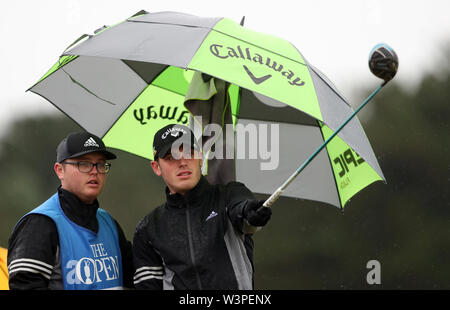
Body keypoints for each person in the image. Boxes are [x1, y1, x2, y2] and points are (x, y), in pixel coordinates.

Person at [132, 124, 272, 290]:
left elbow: (243, 210)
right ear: (156, 167)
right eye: (171, 157)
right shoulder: (147, 229)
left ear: (200, 157)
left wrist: (251, 211)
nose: (182, 162)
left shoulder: (230, 194)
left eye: (188, 153)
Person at [7, 132, 134, 290]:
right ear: (60, 170)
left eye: (101, 164)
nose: (95, 171)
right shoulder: (39, 224)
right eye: (84, 164)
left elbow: (135, 281)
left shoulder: (110, 223)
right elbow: (24, 285)